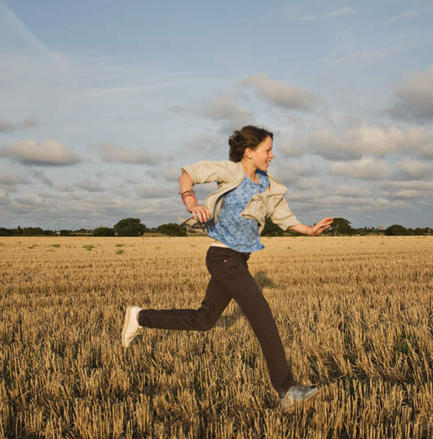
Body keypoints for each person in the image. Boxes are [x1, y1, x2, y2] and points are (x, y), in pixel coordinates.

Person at [121, 125, 334, 410]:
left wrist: (309, 230)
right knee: (264, 319)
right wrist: (190, 201)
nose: (272, 155)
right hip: (223, 258)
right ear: (249, 152)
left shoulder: (269, 187)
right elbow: (188, 174)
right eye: (267, 150)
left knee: (203, 320)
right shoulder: (230, 171)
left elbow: (284, 218)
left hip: (238, 259)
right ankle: (286, 390)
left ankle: (140, 316)